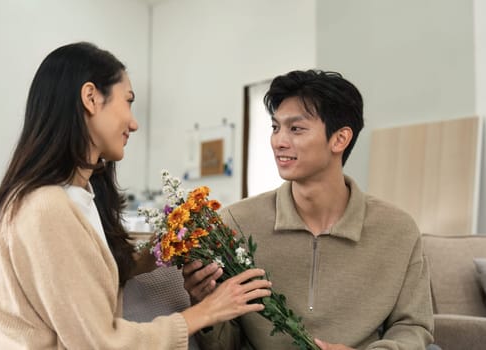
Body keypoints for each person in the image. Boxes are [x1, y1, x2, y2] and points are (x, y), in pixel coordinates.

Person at [0, 42, 271, 350]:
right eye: (128, 101)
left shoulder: (77, 195)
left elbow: (83, 277)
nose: (134, 124)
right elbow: (100, 343)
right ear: (91, 98)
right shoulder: (46, 206)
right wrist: (206, 312)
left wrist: (160, 251)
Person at [183, 69, 434, 350]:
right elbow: (225, 344)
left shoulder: (397, 229)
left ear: (339, 139)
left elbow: (413, 325)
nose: (279, 141)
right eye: (276, 127)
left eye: (296, 129)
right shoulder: (235, 223)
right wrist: (204, 304)